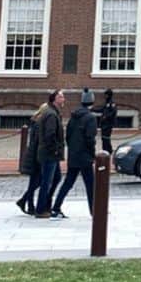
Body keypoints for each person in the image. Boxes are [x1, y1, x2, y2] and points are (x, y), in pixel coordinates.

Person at [50, 89, 98, 218]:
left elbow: (68, 136)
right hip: (85, 156)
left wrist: (73, 149)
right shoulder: (91, 118)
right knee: (90, 184)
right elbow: (90, 139)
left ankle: (56, 207)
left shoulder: (74, 116)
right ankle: (94, 210)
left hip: (74, 154)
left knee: (68, 183)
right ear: (92, 102)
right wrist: (92, 155)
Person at [34, 89, 66, 218]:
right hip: (49, 153)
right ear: (55, 99)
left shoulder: (53, 112)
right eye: (61, 97)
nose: (63, 99)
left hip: (51, 153)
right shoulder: (51, 114)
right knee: (46, 181)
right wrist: (56, 149)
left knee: (56, 178)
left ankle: (47, 204)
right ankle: (41, 209)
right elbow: (50, 134)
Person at [95, 88, 118, 157]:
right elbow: (102, 109)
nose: (105, 96)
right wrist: (93, 109)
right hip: (104, 123)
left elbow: (113, 112)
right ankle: (105, 149)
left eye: (106, 95)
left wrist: (106, 117)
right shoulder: (106, 103)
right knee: (104, 138)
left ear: (109, 95)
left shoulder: (112, 103)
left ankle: (108, 150)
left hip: (108, 124)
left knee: (106, 138)